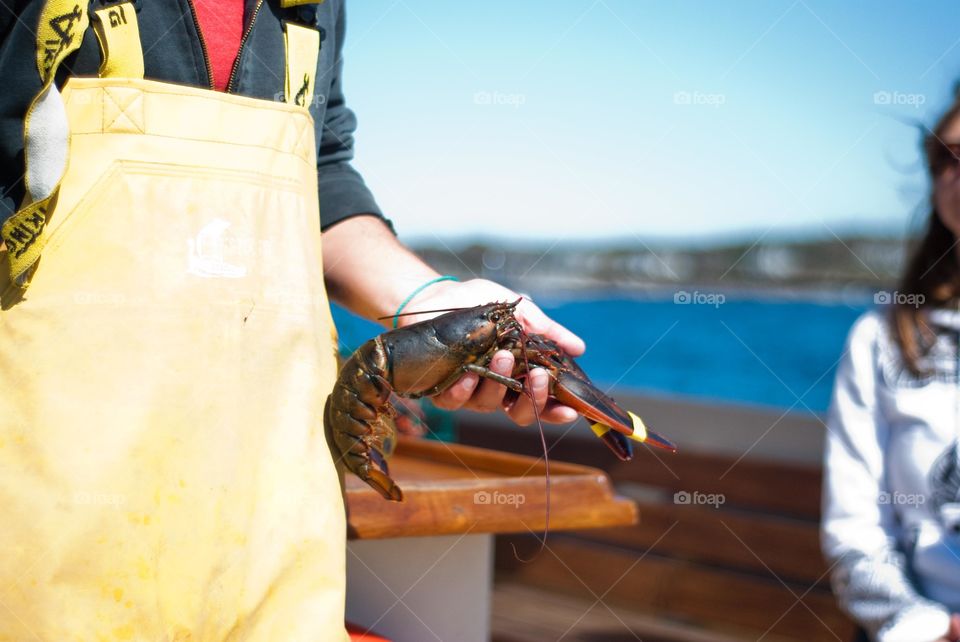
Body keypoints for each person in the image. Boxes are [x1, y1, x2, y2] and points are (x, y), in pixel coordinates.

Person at [0, 1, 581, 638]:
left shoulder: (316, 7)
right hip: (46, 501)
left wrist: (429, 292)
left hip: (278, 520)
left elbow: (322, 174)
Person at [822, 90, 960, 642]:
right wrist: (923, 625)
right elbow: (856, 527)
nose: (956, 173)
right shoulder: (883, 338)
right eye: (946, 158)